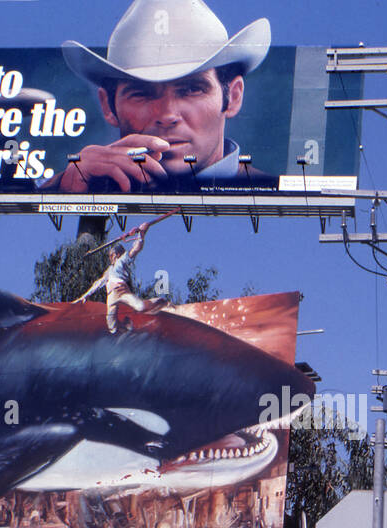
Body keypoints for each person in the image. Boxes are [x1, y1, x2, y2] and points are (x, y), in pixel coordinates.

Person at [54, 0, 273, 193]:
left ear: (233, 97)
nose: (167, 115)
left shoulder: (274, 189)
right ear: (108, 107)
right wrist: (64, 187)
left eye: (192, 90)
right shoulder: (73, 183)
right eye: (142, 94)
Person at [72, 222, 168, 332]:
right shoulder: (109, 270)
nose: (110, 258)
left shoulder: (122, 260)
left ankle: (160, 301)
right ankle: (125, 329)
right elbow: (99, 283)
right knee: (111, 325)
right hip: (111, 296)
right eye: (110, 256)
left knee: (140, 307)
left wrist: (141, 234)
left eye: (111, 255)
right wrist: (85, 296)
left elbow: (136, 249)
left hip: (122, 291)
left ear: (117, 254)